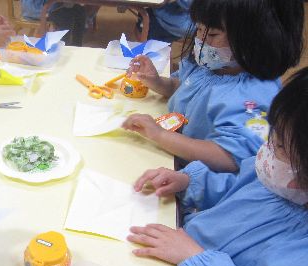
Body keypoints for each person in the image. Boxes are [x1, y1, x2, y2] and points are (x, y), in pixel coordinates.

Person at [127, 67, 308, 266]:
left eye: (279, 146)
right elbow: (237, 190)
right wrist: (189, 182)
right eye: (273, 135)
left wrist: (196, 259)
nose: (265, 149)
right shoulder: (284, 180)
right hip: (177, 264)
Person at [122, 0, 304, 173]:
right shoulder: (213, 65)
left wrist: (160, 135)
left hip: (199, 180)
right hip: (169, 157)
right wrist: (158, 82)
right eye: (199, 29)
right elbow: (185, 87)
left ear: (257, 39)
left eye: (212, 34)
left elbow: (228, 157)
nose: (200, 39)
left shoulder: (252, 97)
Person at [21, 0, 87, 46]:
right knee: (66, 14)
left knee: (80, 10)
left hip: (52, 5)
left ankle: (76, 46)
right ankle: (63, 47)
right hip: (36, 7)